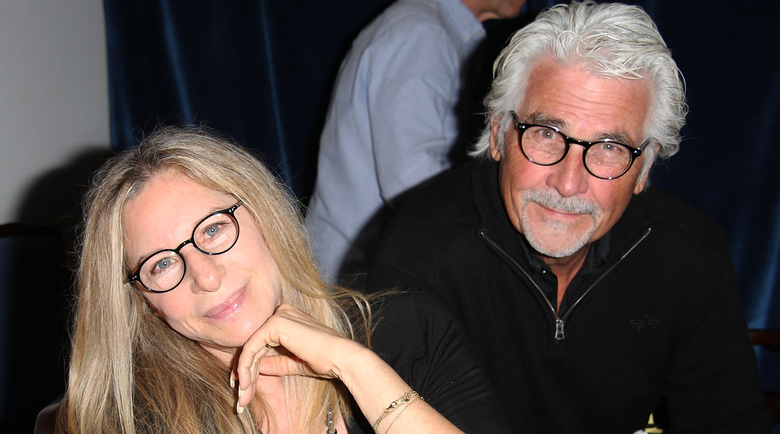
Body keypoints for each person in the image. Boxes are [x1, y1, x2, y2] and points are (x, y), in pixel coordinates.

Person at [368, 0, 772, 433]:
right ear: (498, 133)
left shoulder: (690, 257)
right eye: (546, 134)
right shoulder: (421, 255)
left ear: (646, 168)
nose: (568, 183)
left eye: (609, 147)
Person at [40, 127, 511, 433]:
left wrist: (358, 368)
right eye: (161, 264)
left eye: (214, 229)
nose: (205, 275)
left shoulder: (413, 333)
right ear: (142, 301)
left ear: (265, 217)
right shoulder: (132, 421)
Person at [305, 0, 526, 284]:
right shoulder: (423, 33)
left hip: (361, 273)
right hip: (359, 283)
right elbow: (411, 177)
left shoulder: (428, 28)